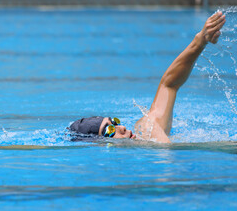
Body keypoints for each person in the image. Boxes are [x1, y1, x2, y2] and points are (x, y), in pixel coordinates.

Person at [69, 11, 226, 143]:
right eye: (109, 130)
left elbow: (169, 84)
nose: (122, 128)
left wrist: (199, 43)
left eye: (115, 122)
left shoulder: (148, 130)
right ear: (99, 145)